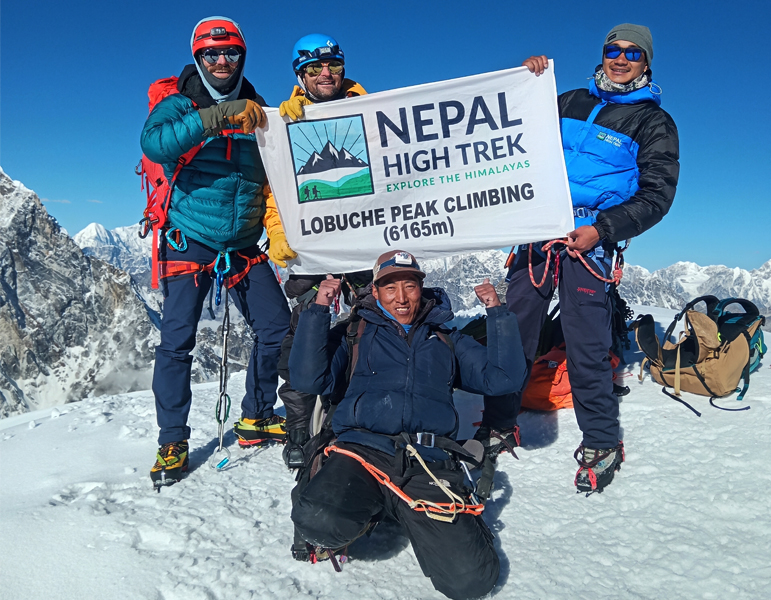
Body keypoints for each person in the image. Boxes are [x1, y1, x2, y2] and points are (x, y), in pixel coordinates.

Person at [485, 23, 680, 493]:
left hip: (590, 239)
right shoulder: (568, 100)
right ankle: (498, 423)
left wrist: (603, 229)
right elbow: (514, 136)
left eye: (633, 53)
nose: (621, 58)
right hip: (538, 232)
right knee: (514, 330)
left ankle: (601, 439)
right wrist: (526, 83)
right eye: (614, 49)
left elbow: (657, 195)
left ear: (646, 63)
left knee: (587, 342)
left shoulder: (654, 123)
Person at [287, 250, 528, 600]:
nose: (401, 298)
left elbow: (504, 379)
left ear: (421, 289)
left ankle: (393, 509)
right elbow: (308, 378)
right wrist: (319, 308)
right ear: (375, 290)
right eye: (390, 288)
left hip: (427, 462)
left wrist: (496, 311)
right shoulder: (355, 331)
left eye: (410, 286)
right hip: (361, 452)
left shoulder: (445, 338)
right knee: (318, 520)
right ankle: (371, 507)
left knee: (470, 581)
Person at [141, 16, 291, 486]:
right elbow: (155, 142)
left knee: (276, 328)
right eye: (211, 54)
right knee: (176, 342)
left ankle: (256, 416)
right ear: (198, 57)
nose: (221, 61)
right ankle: (172, 440)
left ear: (242, 57)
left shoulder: (261, 108)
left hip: (243, 241)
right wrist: (217, 117)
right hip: (190, 238)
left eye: (230, 54)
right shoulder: (176, 103)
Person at [262, 33, 373, 469]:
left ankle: (361, 413)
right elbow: (275, 193)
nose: (324, 74)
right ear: (299, 75)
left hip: (366, 245)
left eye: (332, 65)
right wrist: (279, 232)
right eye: (313, 68)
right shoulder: (285, 123)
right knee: (303, 338)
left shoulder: (371, 111)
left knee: (372, 331)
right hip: (315, 249)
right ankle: (298, 426)